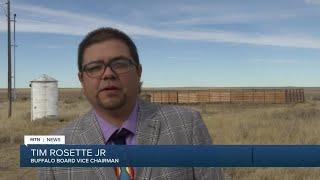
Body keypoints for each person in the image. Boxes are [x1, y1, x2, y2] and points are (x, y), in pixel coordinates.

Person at [39, 27, 224, 180]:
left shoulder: (186, 126)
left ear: (138, 71)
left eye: (119, 64)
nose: (108, 74)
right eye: (95, 68)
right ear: (81, 80)